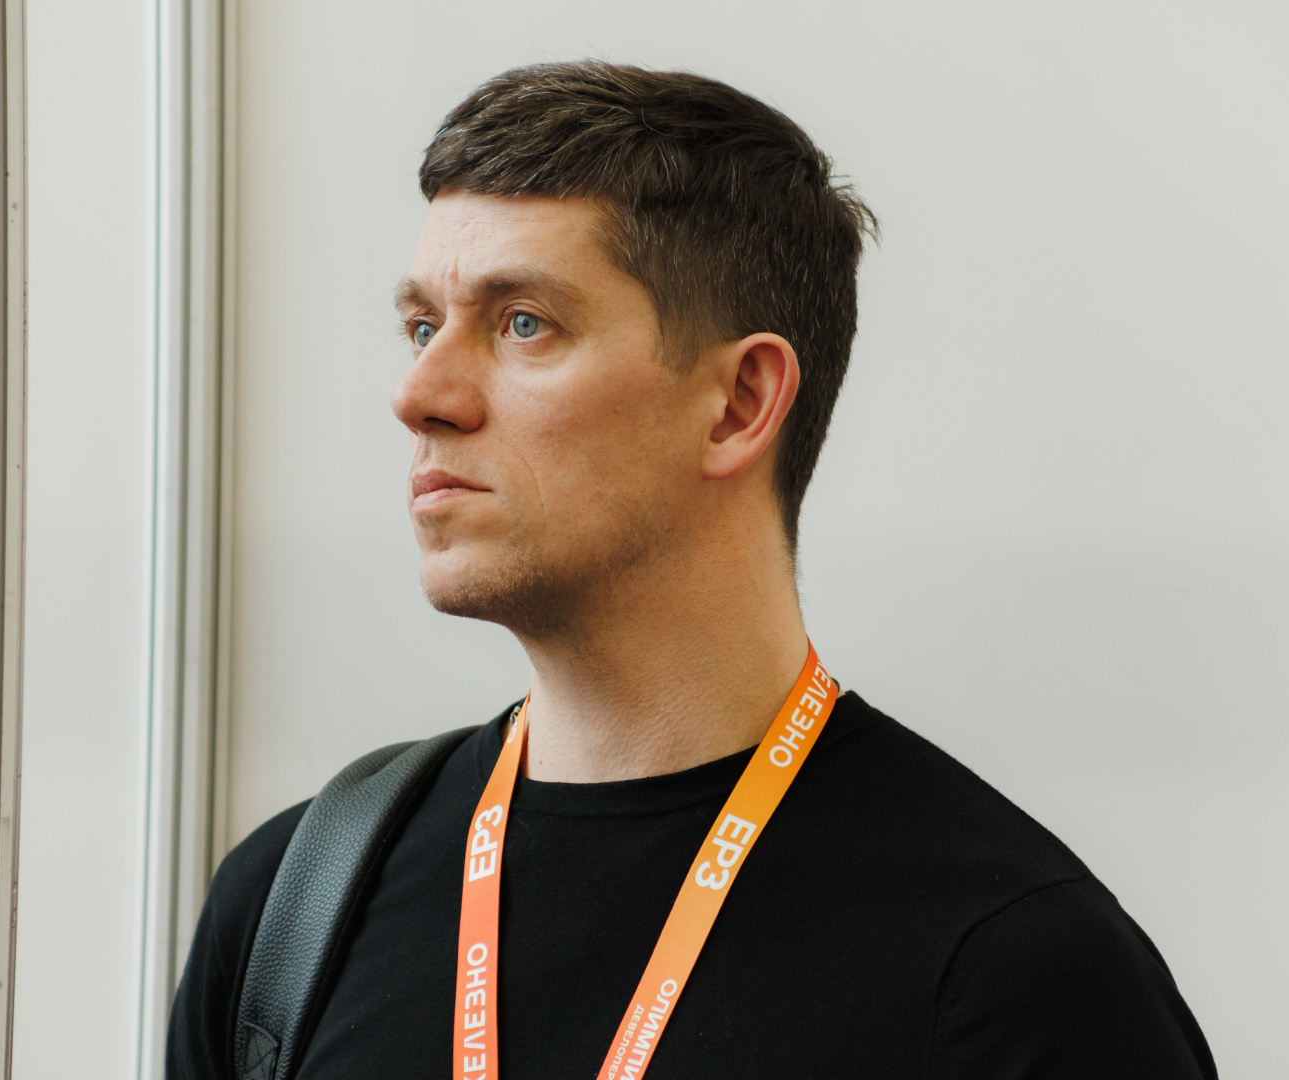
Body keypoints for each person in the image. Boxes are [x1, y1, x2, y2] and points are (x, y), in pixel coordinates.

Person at [167, 60, 1217, 1079]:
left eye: (523, 323)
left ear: (739, 404)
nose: (419, 395)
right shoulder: (294, 905)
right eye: (421, 327)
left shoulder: (1012, 972)